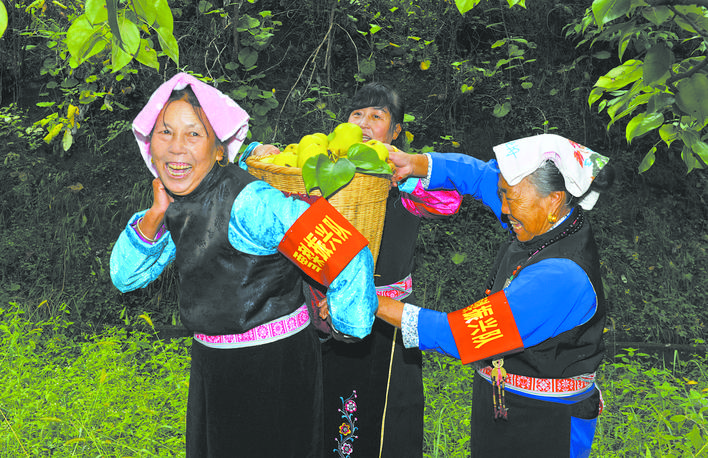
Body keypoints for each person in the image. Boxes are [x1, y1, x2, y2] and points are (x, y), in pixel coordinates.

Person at [109, 72, 378, 458]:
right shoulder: (178, 203)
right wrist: (155, 215)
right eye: (165, 133)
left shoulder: (252, 203)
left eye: (193, 134)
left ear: (220, 150)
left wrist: (348, 323)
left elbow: (347, 251)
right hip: (213, 366)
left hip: (273, 368)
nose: (176, 148)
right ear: (149, 145)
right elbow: (124, 276)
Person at [241, 82, 463, 457]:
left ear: (395, 132)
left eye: (377, 117)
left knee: (385, 416)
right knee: (326, 407)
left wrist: (404, 170)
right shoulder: (326, 172)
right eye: (357, 114)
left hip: (386, 321)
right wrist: (255, 149)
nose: (363, 123)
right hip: (324, 315)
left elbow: (448, 202)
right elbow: (266, 169)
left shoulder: (402, 184)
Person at [373, 133, 613, 457]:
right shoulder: (543, 216)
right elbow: (478, 175)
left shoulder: (562, 278)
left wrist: (373, 303)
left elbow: (463, 334)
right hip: (505, 406)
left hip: (544, 425)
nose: (502, 208)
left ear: (554, 199)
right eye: (501, 195)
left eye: (510, 199)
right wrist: (413, 163)